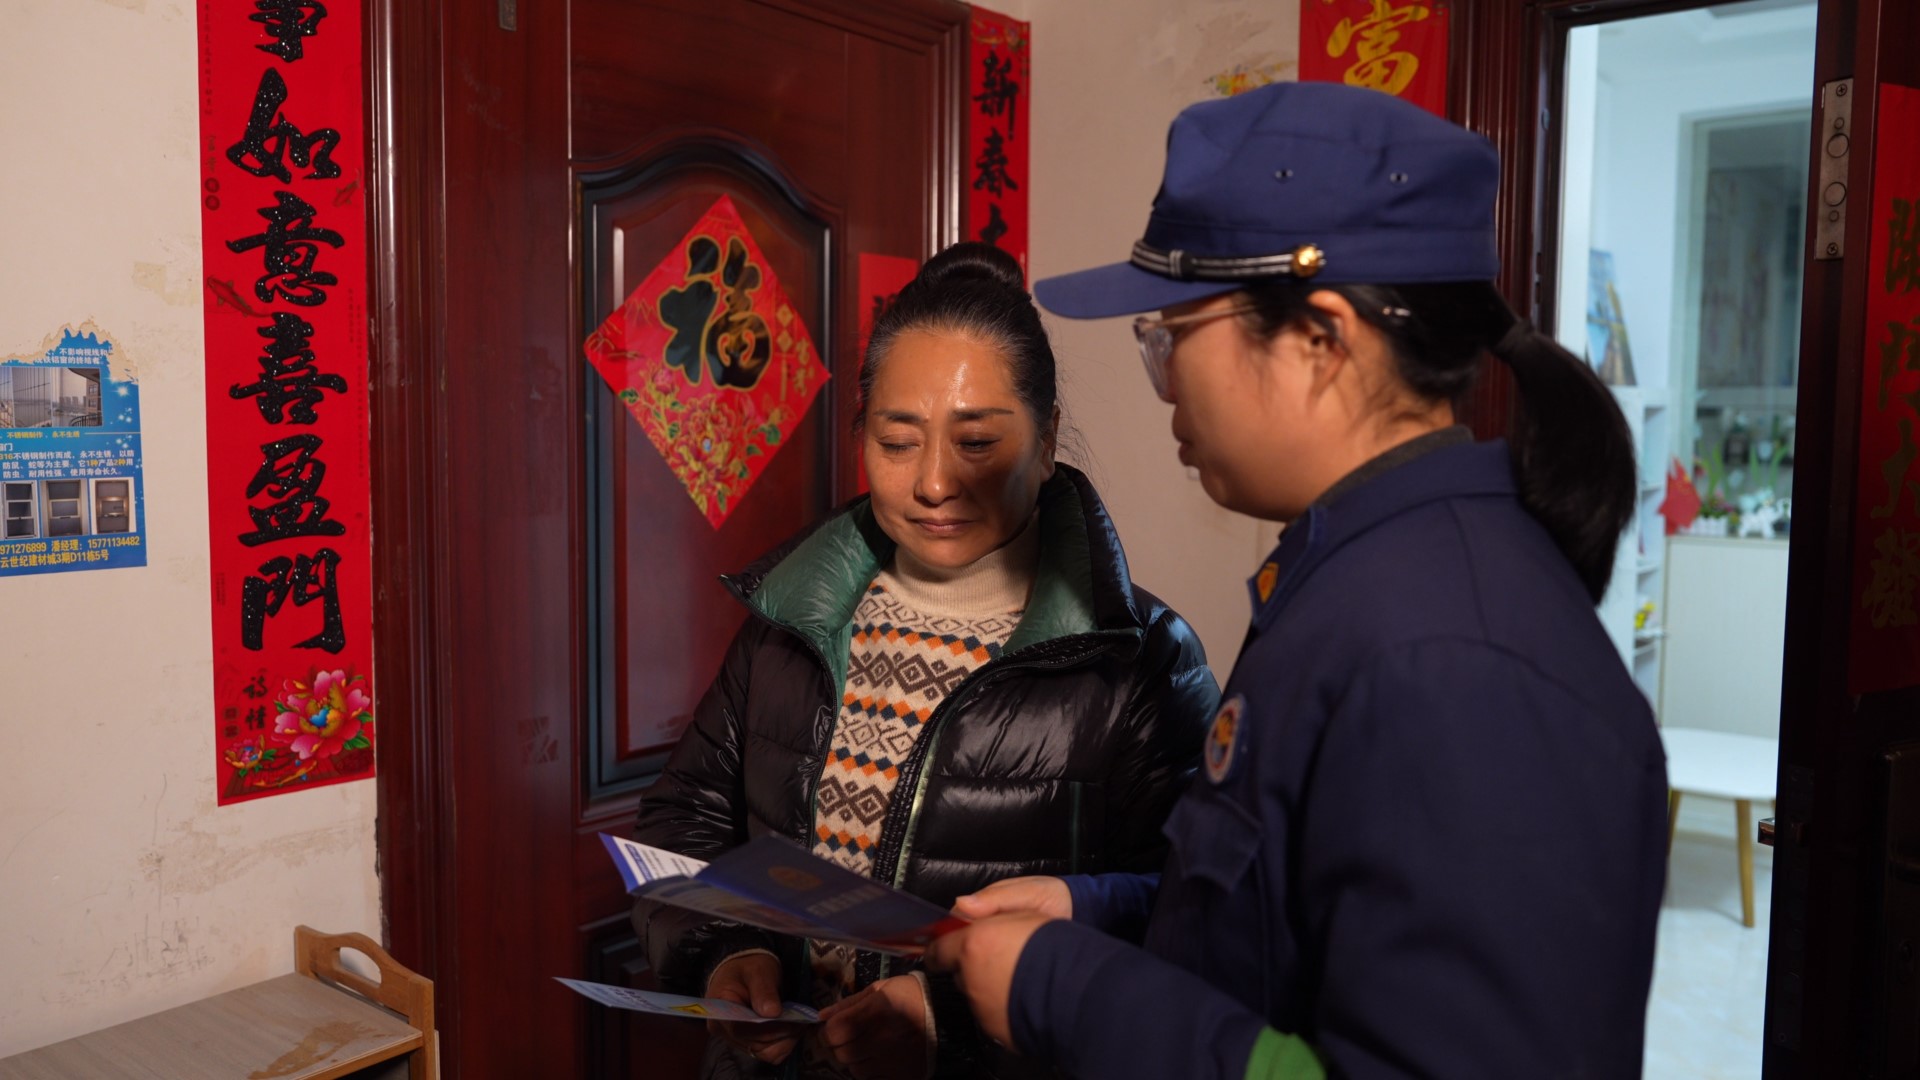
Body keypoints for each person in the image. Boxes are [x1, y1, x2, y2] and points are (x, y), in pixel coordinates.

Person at [925, 83, 1669, 1079]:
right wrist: (1091, 913)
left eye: (1173, 336)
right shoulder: (1360, 582)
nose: (1166, 384)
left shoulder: (1459, 662)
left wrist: (1062, 991)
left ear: (1322, 340)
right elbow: (1287, 928)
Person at [631, 242, 1220, 1080]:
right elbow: (683, 819)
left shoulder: (1141, 661)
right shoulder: (794, 621)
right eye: (898, 441)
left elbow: (1193, 920)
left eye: (976, 442)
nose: (934, 483)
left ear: (1047, 439)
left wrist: (954, 1024)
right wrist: (727, 951)